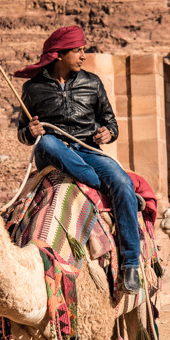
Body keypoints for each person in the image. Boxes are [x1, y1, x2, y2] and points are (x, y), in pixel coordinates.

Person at [14, 24, 142, 293]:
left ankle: (131, 264)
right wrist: (31, 131)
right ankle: (105, 186)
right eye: (78, 50)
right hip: (53, 152)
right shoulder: (33, 89)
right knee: (47, 141)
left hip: (87, 151)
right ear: (60, 54)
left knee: (120, 180)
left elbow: (110, 123)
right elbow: (23, 134)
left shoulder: (92, 83)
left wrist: (108, 133)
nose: (83, 55)